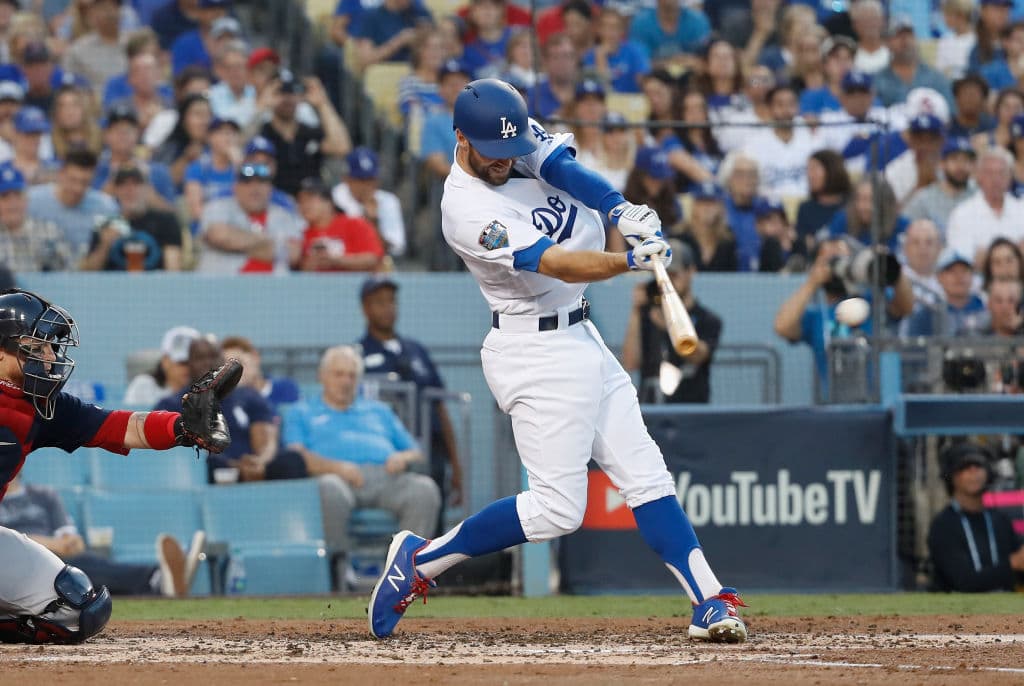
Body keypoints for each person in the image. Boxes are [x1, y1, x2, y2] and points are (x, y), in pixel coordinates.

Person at [367, 78, 748, 643]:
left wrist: (620, 207)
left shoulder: (514, 136)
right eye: (493, 155)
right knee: (556, 511)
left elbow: (564, 171)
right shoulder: (465, 209)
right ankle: (421, 561)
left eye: (511, 150)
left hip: (580, 334)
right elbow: (557, 263)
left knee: (645, 474)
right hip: (534, 350)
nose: (505, 162)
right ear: (461, 141)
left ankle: (709, 599)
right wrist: (627, 261)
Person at [0, 288, 234, 644]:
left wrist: (182, 427)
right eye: (37, 346)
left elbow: (119, 426)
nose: (49, 357)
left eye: (50, 346)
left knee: (75, 608)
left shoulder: (41, 406)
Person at [285, 345, 442, 559]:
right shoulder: (301, 411)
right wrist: (336, 468)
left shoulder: (379, 410)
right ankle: (338, 567)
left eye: (352, 375)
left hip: (386, 477)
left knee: (425, 489)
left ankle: (407, 569)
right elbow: (295, 456)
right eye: (338, 374)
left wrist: (402, 457)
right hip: (335, 479)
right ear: (321, 377)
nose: (346, 381)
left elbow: (416, 452)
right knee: (329, 488)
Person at [357, 275, 464, 512]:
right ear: (365, 308)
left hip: (429, 450)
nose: (388, 308)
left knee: (432, 514)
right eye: (379, 302)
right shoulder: (358, 355)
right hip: (386, 452)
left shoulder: (416, 350)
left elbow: (439, 407)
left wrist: (456, 465)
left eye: (392, 301)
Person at [0, 474, 203, 598]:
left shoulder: (44, 495)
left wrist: (63, 545)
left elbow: (74, 543)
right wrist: (43, 542)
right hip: (17, 562)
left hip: (54, 558)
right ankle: (158, 578)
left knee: (82, 565)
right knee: (71, 573)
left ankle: (160, 581)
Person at [774, 237, 915, 382]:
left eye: (842, 257)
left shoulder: (875, 301)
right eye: (830, 260)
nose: (837, 266)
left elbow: (906, 307)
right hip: (835, 400)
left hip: (880, 399)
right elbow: (782, 326)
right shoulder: (817, 315)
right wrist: (812, 282)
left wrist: (889, 265)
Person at [623, 241, 722, 403]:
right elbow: (630, 362)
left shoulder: (708, 319)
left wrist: (668, 325)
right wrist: (636, 312)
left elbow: (698, 356)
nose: (666, 282)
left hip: (691, 408)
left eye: (673, 275)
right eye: (663, 275)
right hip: (650, 408)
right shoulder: (648, 314)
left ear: (690, 272)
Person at [927, 442, 1024, 592]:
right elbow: (964, 581)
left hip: (1003, 611)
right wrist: (1012, 563)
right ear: (952, 476)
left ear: (988, 473)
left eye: (978, 465)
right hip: (955, 612)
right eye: (965, 467)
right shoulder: (943, 525)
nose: (973, 471)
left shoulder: (1000, 520)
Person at [197, 163, 304, 274]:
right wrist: (270, 242)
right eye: (247, 182)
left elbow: (293, 254)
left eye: (261, 182)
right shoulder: (218, 206)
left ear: (270, 188)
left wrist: (236, 243)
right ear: (236, 187)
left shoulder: (283, 215)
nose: (255, 188)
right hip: (222, 285)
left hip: (275, 287)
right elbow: (220, 236)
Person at [26, 149, 118, 262]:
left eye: (84, 182)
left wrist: (107, 243)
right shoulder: (32, 201)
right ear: (61, 174)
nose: (77, 188)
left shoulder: (105, 206)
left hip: (88, 275)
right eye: (73, 180)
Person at [946, 148, 1024, 266]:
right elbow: (963, 261)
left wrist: (986, 255)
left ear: (1010, 177)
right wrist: (1016, 253)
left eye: (1001, 173)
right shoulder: (962, 214)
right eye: (989, 173)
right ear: (979, 177)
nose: (996, 179)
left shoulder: (1021, 208)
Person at [742, 83, 820, 201]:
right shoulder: (754, 143)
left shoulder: (810, 136)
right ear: (769, 108)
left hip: (807, 205)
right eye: (780, 105)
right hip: (770, 210)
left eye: (791, 104)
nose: (786, 110)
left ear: (798, 107)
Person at [295, 176, 385, 272]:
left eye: (310, 199)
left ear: (328, 202)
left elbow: (374, 258)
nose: (304, 205)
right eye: (300, 201)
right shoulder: (301, 234)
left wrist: (337, 261)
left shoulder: (354, 224)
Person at [332, 147, 406, 258]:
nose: (367, 186)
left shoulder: (388, 201)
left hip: (374, 265)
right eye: (360, 180)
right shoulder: (336, 197)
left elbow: (395, 249)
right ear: (346, 179)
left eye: (371, 179)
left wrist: (373, 222)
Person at [0, 163, 73, 272]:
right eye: (5, 196)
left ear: (26, 198)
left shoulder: (49, 232)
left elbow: (70, 274)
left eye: (18, 195)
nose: (13, 203)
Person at [108, 166, 184, 271]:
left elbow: (173, 269)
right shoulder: (107, 224)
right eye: (123, 184)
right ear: (115, 190)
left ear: (147, 188)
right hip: (113, 285)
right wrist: (104, 245)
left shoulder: (166, 222)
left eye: (136, 184)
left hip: (155, 284)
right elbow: (88, 274)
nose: (129, 190)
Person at [904, 248, 989, 336]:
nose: (959, 276)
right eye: (951, 271)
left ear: (972, 276)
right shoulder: (926, 315)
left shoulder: (988, 310)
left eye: (964, 270)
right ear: (939, 277)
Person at [874, 17, 953, 111]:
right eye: (898, 36)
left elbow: (950, 113)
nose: (905, 40)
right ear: (887, 43)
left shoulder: (936, 78)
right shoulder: (878, 80)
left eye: (909, 35)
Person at [902, 136, 976, 234]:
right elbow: (904, 229)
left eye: (966, 160)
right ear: (942, 163)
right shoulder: (925, 198)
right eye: (954, 159)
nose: (960, 166)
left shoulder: (978, 195)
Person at [123, 325, 200, 407]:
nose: (187, 368)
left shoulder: (206, 391)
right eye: (181, 362)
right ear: (165, 361)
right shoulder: (144, 386)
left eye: (191, 362)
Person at [794, 149, 851, 259]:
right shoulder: (805, 209)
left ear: (831, 170)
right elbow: (805, 246)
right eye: (808, 170)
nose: (810, 175)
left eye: (814, 169)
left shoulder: (852, 204)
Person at [219, 335, 300, 411]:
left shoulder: (286, 388)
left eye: (239, 362)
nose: (233, 371)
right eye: (227, 368)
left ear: (256, 357)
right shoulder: (227, 402)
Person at [61, 0, 126, 95]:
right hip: (93, 105)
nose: (111, 13)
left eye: (115, 7)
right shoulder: (78, 50)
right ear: (93, 14)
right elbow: (69, 87)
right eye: (104, 8)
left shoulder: (133, 46)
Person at [676, 181, 739, 272]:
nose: (707, 208)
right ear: (694, 206)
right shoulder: (680, 237)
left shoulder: (728, 240)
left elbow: (732, 276)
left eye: (712, 203)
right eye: (702, 202)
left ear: (720, 207)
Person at [353, 0, 434, 71]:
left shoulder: (421, 13)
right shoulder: (371, 16)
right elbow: (366, 61)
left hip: (419, 73)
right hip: (385, 73)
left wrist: (423, 38)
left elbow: (438, 49)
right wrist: (399, 41)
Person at [628, 0, 710, 68]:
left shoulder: (697, 22)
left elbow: (705, 63)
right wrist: (670, 63)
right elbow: (638, 64)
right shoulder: (641, 24)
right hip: (652, 79)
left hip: (692, 79)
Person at [900, 219, 944, 307]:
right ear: (905, 248)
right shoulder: (895, 280)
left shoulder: (951, 282)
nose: (922, 249)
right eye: (916, 243)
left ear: (939, 249)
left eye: (929, 242)